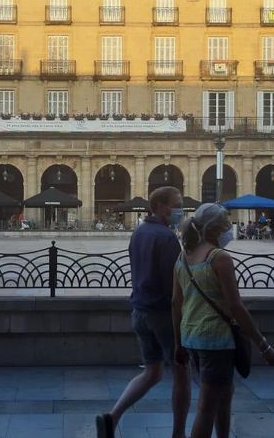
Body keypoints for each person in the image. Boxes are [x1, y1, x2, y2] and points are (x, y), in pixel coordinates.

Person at [173, 203, 274, 438]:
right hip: (215, 339)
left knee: (224, 393)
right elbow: (236, 306)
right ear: (214, 228)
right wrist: (263, 345)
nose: (229, 227)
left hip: (191, 337)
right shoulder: (219, 258)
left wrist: (178, 343)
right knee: (207, 407)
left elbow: (175, 303)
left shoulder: (183, 257)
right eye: (226, 222)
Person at [96, 186, 189, 438]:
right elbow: (174, 285)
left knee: (152, 372)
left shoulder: (138, 232)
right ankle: (178, 433)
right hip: (162, 314)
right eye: (177, 204)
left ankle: (112, 418)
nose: (180, 209)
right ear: (160, 207)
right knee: (181, 373)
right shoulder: (166, 237)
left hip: (139, 310)